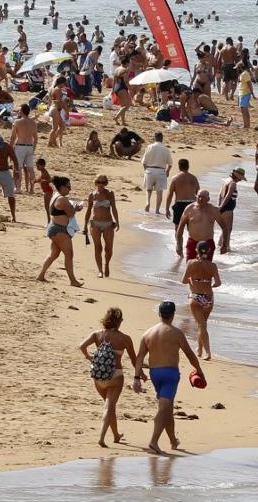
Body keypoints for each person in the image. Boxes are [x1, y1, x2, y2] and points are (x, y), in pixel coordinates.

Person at [134, 300, 206, 455]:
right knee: (164, 409)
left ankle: (173, 440)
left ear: (159, 314)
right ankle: (153, 442)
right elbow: (190, 354)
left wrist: (137, 377)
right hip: (170, 374)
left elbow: (139, 357)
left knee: (167, 407)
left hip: (155, 374)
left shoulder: (148, 333)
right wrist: (198, 369)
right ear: (173, 315)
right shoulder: (176, 333)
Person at [78, 307, 139, 448]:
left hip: (99, 375)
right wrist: (139, 374)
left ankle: (116, 435)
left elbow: (81, 346)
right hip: (115, 375)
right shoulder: (125, 338)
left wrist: (89, 357)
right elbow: (134, 360)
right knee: (109, 406)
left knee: (110, 406)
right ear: (119, 321)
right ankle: (101, 438)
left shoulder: (97, 334)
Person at [38, 175, 84, 287]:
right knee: (69, 255)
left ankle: (41, 275)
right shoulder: (62, 199)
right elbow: (71, 213)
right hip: (60, 230)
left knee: (54, 254)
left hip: (53, 227)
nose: (70, 189)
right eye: (68, 187)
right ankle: (73, 280)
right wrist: (76, 208)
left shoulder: (55, 195)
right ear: (62, 187)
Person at [182, 241, 221, 360]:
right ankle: (199, 349)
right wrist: (209, 284)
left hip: (196, 296)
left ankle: (208, 352)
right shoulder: (213, 266)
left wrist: (192, 281)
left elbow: (183, 280)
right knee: (202, 325)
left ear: (196, 251)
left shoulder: (191, 263)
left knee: (201, 325)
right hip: (209, 298)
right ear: (208, 251)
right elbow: (218, 282)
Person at [85, 175, 120, 278]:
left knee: (108, 249)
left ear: (106, 183)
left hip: (108, 223)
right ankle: (100, 270)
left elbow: (114, 208)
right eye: (98, 182)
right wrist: (84, 225)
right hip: (95, 223)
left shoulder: (110, 194)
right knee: (98, 247)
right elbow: (88, 211)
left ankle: (107, 264)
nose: (100, 184)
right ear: (95, 183)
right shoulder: (92, 195)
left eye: (103, 182)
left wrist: (117, 221)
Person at [175, 189, 223, 260]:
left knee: (206, 268)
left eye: (203, 197)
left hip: (208, 244)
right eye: (199, 196)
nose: (200, 199)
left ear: (208, 199)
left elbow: (225, 227)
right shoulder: (189, 209)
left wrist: (224, 245)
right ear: (196, 197)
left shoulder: (213, 210)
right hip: (192, 242)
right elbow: (181, 227)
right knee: (190, 267)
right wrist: (178, 245)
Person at [141, 132, 172, 213]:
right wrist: (168, 171)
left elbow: (144, 162)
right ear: (162, 138)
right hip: (161, 171)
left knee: (149, 189)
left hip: (150, 170)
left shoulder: (149, 147)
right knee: (159, 192)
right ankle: (157, 210)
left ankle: (148, 202)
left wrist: (146, 171)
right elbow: (170, 164)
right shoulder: (165, 149)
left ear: (154, 138)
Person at [216, 167, 244, 254]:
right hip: (227, 209)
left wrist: (219, 206)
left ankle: (220, 245)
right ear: (237, 175)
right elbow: (227, 196)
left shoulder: (226, 180)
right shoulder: (232, 184)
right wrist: (221, 207)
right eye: (240, 178)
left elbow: (220, 195)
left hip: (223, 208)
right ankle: (226, 248)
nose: (240, 180)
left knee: (225, 229)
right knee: (228, 229)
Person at [166, 158, 199, 226]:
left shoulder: (175, 178)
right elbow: (198, 193)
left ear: (179, 167)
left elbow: (170, 194)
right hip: (191, 204)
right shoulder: (194, 178)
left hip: (179, 204)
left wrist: (167, 208)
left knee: (177, 228)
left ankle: (178, 237)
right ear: (188, 166)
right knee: (191, 228)